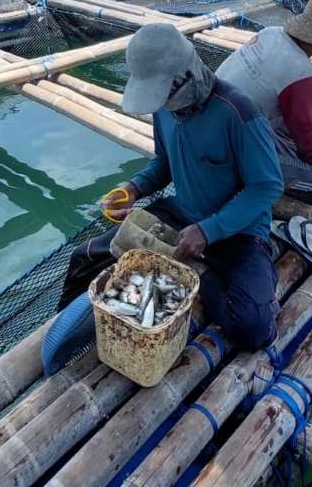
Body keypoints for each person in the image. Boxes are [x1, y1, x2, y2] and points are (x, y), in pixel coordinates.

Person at [60, 23, 284, 349]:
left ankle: (197, 270)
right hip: (179, 217)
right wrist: (134, 188)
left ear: (187, 76)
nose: (162, 103)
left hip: (239, 233)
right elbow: (163, 164)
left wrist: (208, 231)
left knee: (251, 327)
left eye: (165, 93)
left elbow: (267, 187)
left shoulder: (238, 111)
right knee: (86, 257)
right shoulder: (164, 110)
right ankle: (67, 337)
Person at [216, 0, 312, 194]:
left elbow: (272, 89)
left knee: (293, 129)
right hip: (224, 150)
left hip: (216, 120)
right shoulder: (303, 73)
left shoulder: (270, 33)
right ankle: (249, 179)